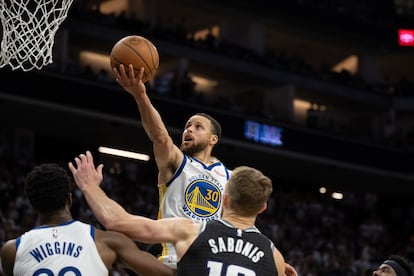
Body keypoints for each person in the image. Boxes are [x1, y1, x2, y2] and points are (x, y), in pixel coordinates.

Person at [68, 150, 298, 276]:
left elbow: (116, 221)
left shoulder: (191, 230)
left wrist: (89, 186)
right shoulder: (274, 257)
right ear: (263, 207)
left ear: (224, 199)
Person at [114, 64, 231, 266]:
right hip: (172, 262)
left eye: (197, 127)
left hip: (210, 265)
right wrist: (141, 95)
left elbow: (241, 222)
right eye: (187, 126)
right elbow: (160, 137)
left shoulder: (229, 176)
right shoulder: (177, 162)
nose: (189, 130)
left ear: (213, 140)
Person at [0, 163, 174, 276]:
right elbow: (166, 274)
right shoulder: (106, 242)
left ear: (32, 205)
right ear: (69, 199)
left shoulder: (11, 251)